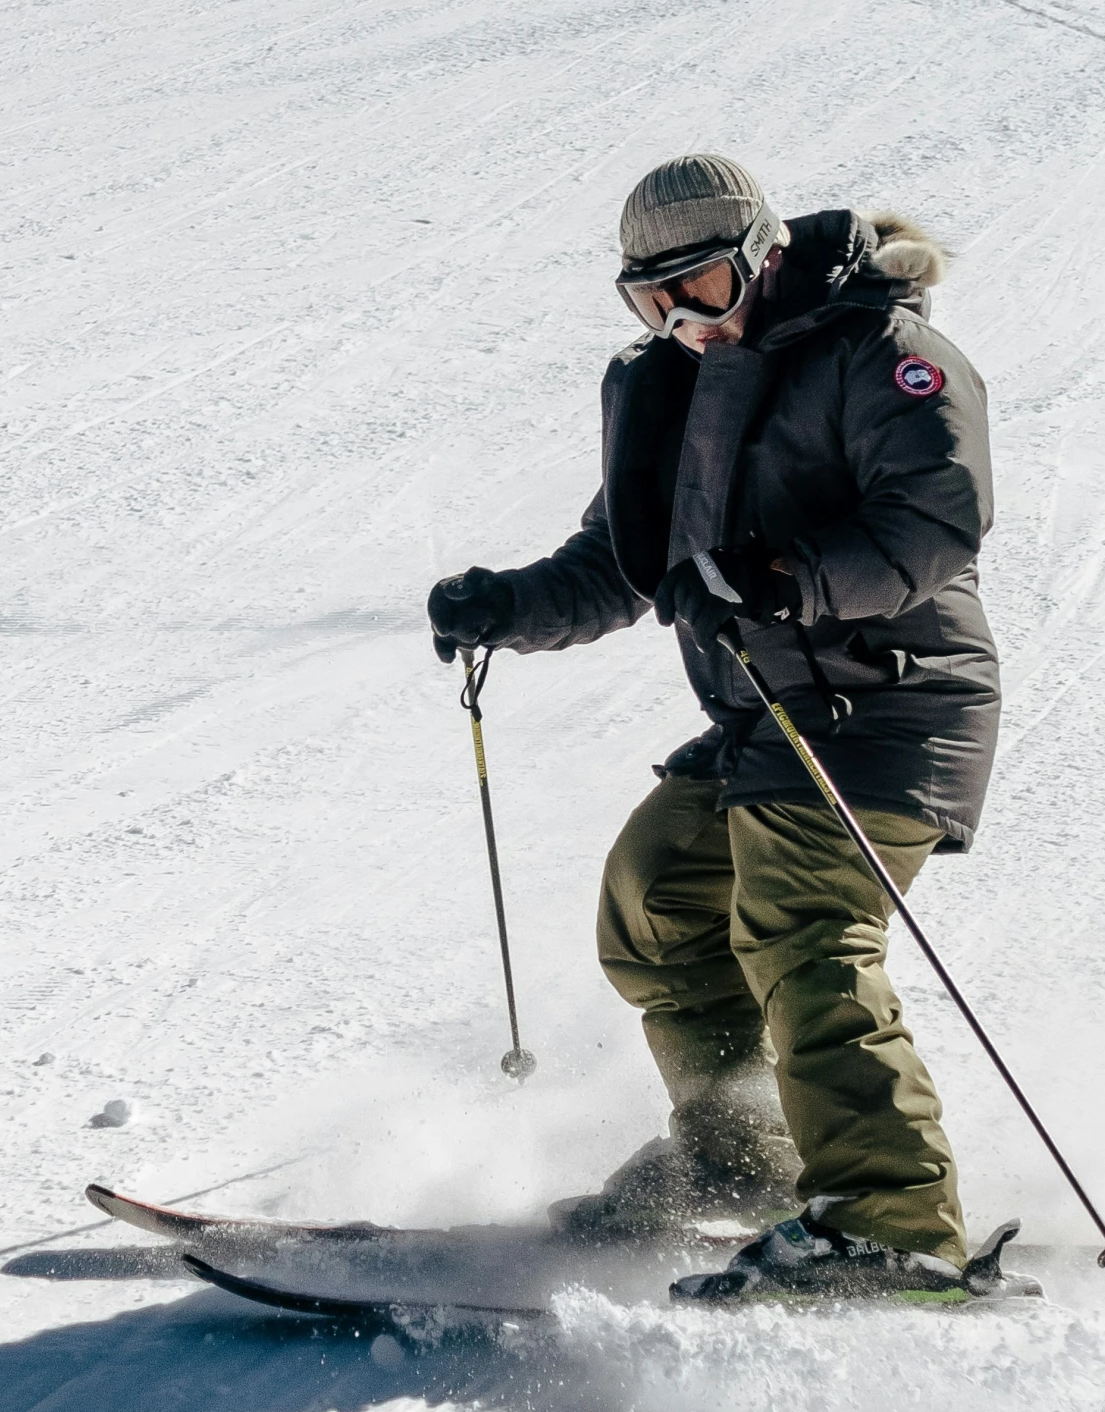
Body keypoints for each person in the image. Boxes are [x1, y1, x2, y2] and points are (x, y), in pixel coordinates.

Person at [428, 153, 1035, 1305]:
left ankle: (890, 1220)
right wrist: (507, 603)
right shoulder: (679, 386)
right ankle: (744, 1154)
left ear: (758, 256)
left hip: (888, 705)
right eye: (649, 301)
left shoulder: (879, 354)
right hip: (770, 714)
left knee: (799, 925)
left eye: (699, 288)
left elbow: (934, 521)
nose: (680, 321)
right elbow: (625, 556)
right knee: (653, 903)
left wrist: (781, 580)